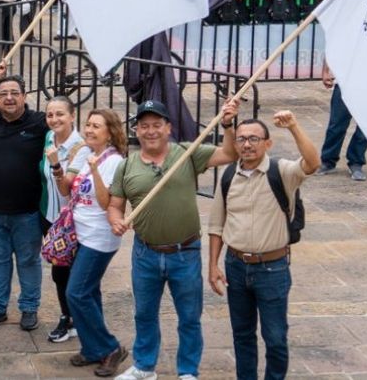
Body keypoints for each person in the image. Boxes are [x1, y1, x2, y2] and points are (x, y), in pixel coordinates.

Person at [108, 98, 239, 380]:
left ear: (168, 128)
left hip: (185, 252)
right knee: (144, 314)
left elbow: (230, 154)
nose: (151, 131)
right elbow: (114, 204)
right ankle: (144, 367)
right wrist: (115, 221)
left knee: (189, 318)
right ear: (137, 131)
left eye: (157, 125)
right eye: (145, 126)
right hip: (145, 253)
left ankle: (188, 371)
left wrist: (227, 124)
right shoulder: (127, 165)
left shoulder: (188, 153)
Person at [207, 111, 319, 380]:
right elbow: (216, 226)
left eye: (254, 139)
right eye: (242, 139)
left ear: (267, 144)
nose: (247, 144)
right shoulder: (229, 175)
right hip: (235, 265)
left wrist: (293, 125)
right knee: (242, 335)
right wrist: (212, 265)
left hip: (272, 269)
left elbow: (312, 163)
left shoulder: (282, 172)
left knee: (275, 337)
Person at [0, 73, 48, 332]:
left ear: (24, 96)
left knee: (28, 262)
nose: (9, 98)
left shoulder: (40, 123)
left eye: (14, 93)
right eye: (3, 93)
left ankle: (29, 308)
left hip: (26, 211)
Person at [39, 96, 84, 343]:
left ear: (72, 115)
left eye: (60, 114)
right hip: (50, 217)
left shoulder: (81, 146)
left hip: (72, 222)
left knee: (72, 272)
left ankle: (75, 318)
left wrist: (56, 163)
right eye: (50, 115)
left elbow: (67, 188)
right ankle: (68, 315)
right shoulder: (48, 138)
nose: (54, 119)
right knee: (59, 270)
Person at [318, 60, 367, 181]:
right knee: (336, 125)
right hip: (346, 80)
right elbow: (333, 44)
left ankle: (356, 162)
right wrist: (325, 71)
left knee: (365, 127)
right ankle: (328, 160)